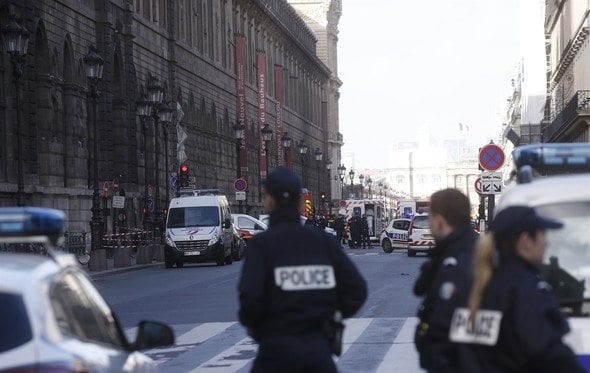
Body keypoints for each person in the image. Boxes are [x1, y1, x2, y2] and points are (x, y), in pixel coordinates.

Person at [238, 167, 367, 372]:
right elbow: (357, 291)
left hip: (275, 352)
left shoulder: (262, 245)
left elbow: (250, 301)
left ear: (269, 200)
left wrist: (266, 327)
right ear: (300, 202)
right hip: (318, 350)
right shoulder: (324, 242)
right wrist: (329, 315)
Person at [452, 205, 584, 372]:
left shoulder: (475, 288)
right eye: (542, 235)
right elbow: (551, 354)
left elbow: (462, 355)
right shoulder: (527, 290)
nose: (546, 242)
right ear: (525, 241)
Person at [413, 188, 478, 371]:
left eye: (430, 219)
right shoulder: (462, 248)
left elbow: (450, 327)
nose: (430, 225)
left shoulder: (457, 261)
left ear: (440, 222)